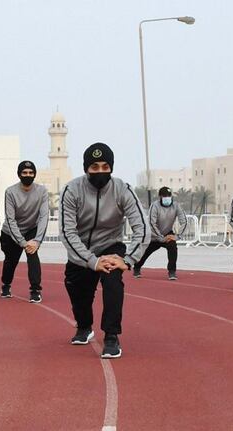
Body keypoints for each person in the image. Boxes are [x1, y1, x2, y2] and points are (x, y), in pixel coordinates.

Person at [60, 143, 149, 359]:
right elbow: (67, 232)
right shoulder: (72, 190)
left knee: (112, 282)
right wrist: (91, 261)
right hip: (82, 249)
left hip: (111, 246)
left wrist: (127, 260)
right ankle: (84, 326)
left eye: (105, 166)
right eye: (94, 167)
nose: (100, 171)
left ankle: (111, 336)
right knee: (76, 288)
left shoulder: (123, 189)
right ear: (86, 168)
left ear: (111, 167)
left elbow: (143, 228)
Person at [0, 161, 50, 302]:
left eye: (31, 173)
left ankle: (35, 290)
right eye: (24, 173)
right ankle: (6, 284)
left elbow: (44, 217)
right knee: (11, 261)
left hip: (31, 229)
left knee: (33, 255)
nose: (28, 175)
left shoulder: (42, 191)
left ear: (34, 174)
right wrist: (22, 242)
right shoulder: (10, 192)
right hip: (11, 232)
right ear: (19, 174)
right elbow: (10, 219)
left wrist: (37, 240)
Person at [133, 186, 187, 280]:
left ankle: (172, 272)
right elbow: (151, 223)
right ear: (160, 196)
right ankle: (137, 267)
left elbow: (184, 222)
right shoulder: (155, 206)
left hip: (168, 234)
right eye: (165, 196)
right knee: (145, 253)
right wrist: (161, 238)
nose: (167, 198)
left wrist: (177, 236)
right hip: (153, 235)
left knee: (173, 247)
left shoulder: (176, 205)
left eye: (169, 196)